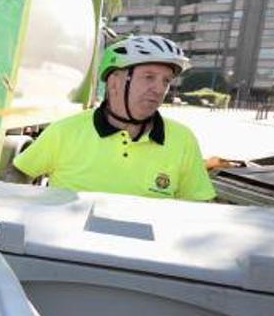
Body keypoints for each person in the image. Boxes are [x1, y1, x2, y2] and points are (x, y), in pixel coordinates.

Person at [13, 34, 216, 201]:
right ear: (114, 82)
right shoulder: (64, 132)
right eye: (149, 77)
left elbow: (198, 206)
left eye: (166, 81)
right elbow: (17, 176)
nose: (159, 89)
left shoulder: (182, 140)